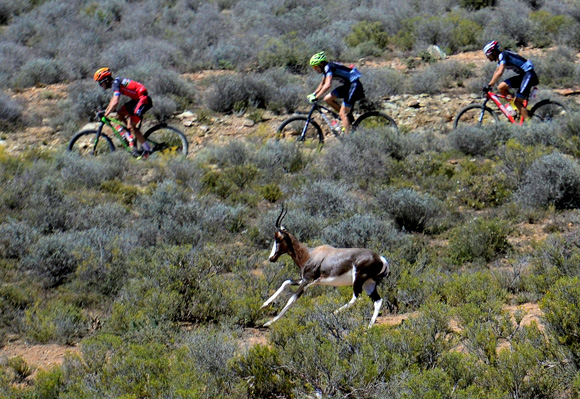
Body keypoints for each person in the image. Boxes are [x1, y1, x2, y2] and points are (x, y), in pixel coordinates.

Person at [93, 67, 153, 158]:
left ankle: (148, 150)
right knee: (120, 113)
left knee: (131, 126)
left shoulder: (115, 84)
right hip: (137, 99)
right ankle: (130, 137)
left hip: (143, 100)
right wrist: (105, 111)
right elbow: (113, 100)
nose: (100, 85)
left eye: (100, 83)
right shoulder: (116, 83)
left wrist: (105, 115)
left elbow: (116, 102)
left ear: (106, 80)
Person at [308, 51, 365, 134]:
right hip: (349, 85)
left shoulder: (329, 67)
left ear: (320, 64)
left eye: (314, 67)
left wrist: (316, 97)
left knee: (342, 113)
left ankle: (348, 138)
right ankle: (347, 118)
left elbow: (327, 85)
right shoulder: (326, 68)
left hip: (355, 86)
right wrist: (314, 93)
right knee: (327, 99)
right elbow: (323, 83)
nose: (315, 69)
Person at [482, 41, 539, 121]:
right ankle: (514, 109)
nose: (488, 58)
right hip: (523, 75)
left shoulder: (503, 55)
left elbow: (500, 72)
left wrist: (490, 85)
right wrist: (489, 84)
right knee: (501, 87)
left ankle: (529, 125)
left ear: (493, 52)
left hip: (529, 74)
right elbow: (496, 72)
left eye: (488, 56)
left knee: (518, 102)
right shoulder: (501, 57)